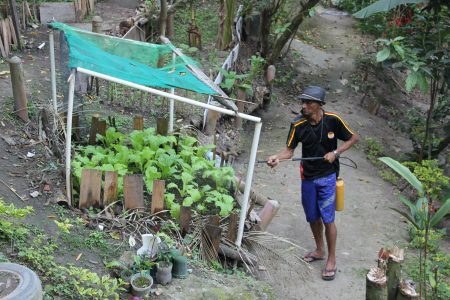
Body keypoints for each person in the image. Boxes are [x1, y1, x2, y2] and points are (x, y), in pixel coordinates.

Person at [267, 86, 359, 281]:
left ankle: (332, 259)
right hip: (307, 177)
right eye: (303, 102)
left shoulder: (333, 120)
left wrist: (336, 153)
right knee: (312, 217)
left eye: (309, 102)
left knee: (328, 219)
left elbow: (353, 137)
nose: (304, 105)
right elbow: (289, 152)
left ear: (319, 105)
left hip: (328, 176)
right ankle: (319, 250)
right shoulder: (297, 124)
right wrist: (276, 158)